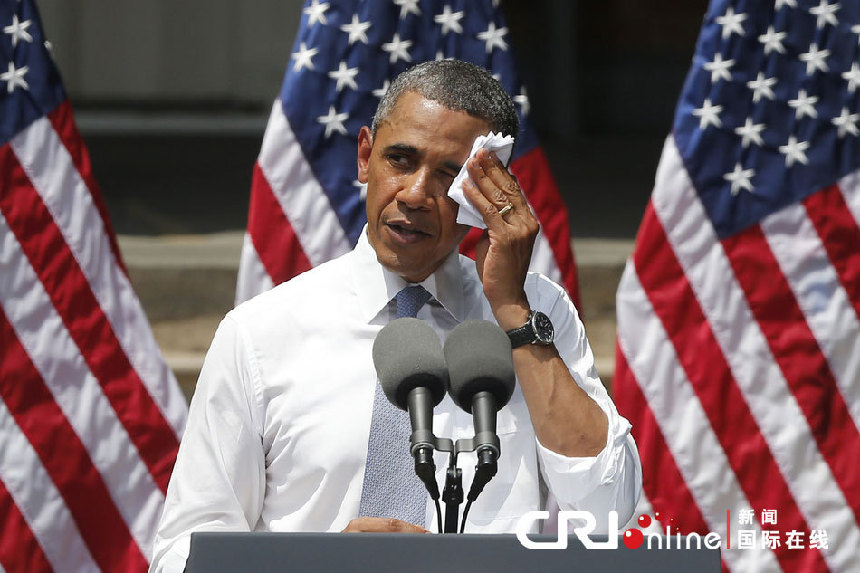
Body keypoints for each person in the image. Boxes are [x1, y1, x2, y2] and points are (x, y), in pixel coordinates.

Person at [150, 59, 641, 573]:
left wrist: (514, 313)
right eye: (401, 160)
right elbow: (183, 552)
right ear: (365, 157)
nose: (414, 194)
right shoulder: (259, 333)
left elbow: (609, 513)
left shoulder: (537, 316)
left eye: (450, 174)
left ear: (489, 193)